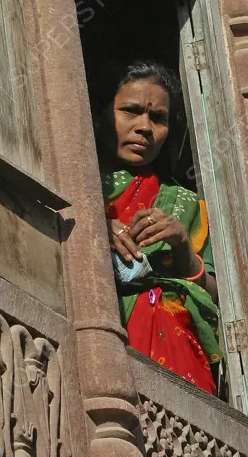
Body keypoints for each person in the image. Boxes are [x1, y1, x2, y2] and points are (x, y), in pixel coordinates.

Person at [94, 60, 221, 395]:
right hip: (104, 346)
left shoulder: (183, 204)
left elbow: (215, 293)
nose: (145, 126)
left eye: (158, 118)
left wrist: (182, 247)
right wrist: (94, 230)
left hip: (179, 358)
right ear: (100, 116)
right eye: (131, 111)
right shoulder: (80, 191)